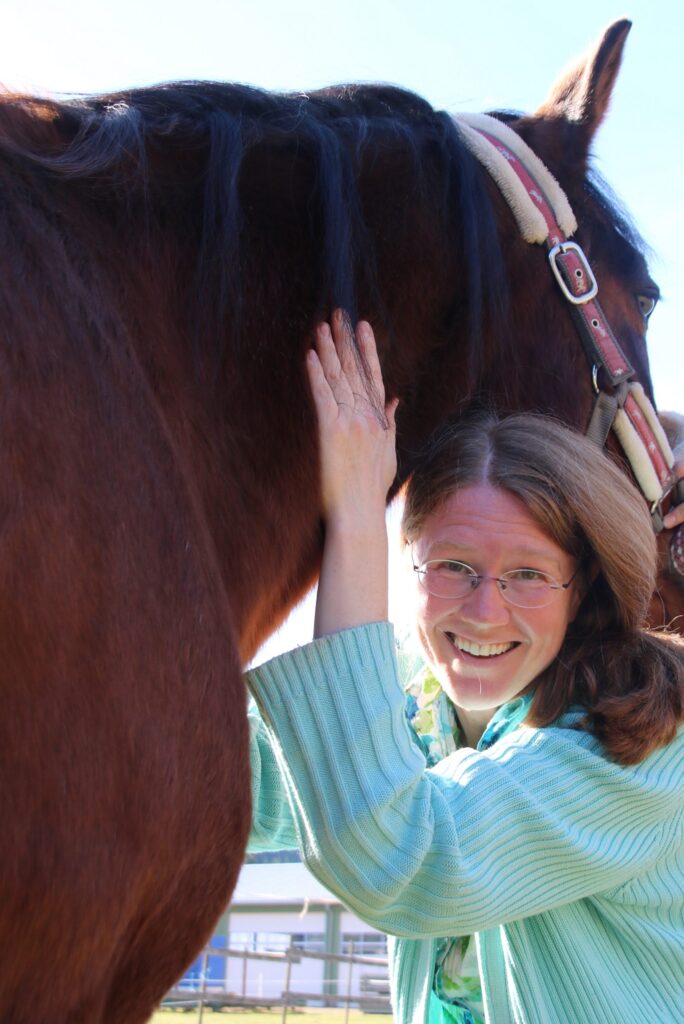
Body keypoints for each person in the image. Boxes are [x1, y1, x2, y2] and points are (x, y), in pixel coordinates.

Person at [246, 311, 684, 1024]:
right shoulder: (422, 706)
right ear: (410, 562)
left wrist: (355, 510)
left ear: (583, 592)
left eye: (529, 575)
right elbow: (227, 776)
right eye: (453, 567)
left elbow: (406, 859)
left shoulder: (648, 745)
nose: (484, 612)